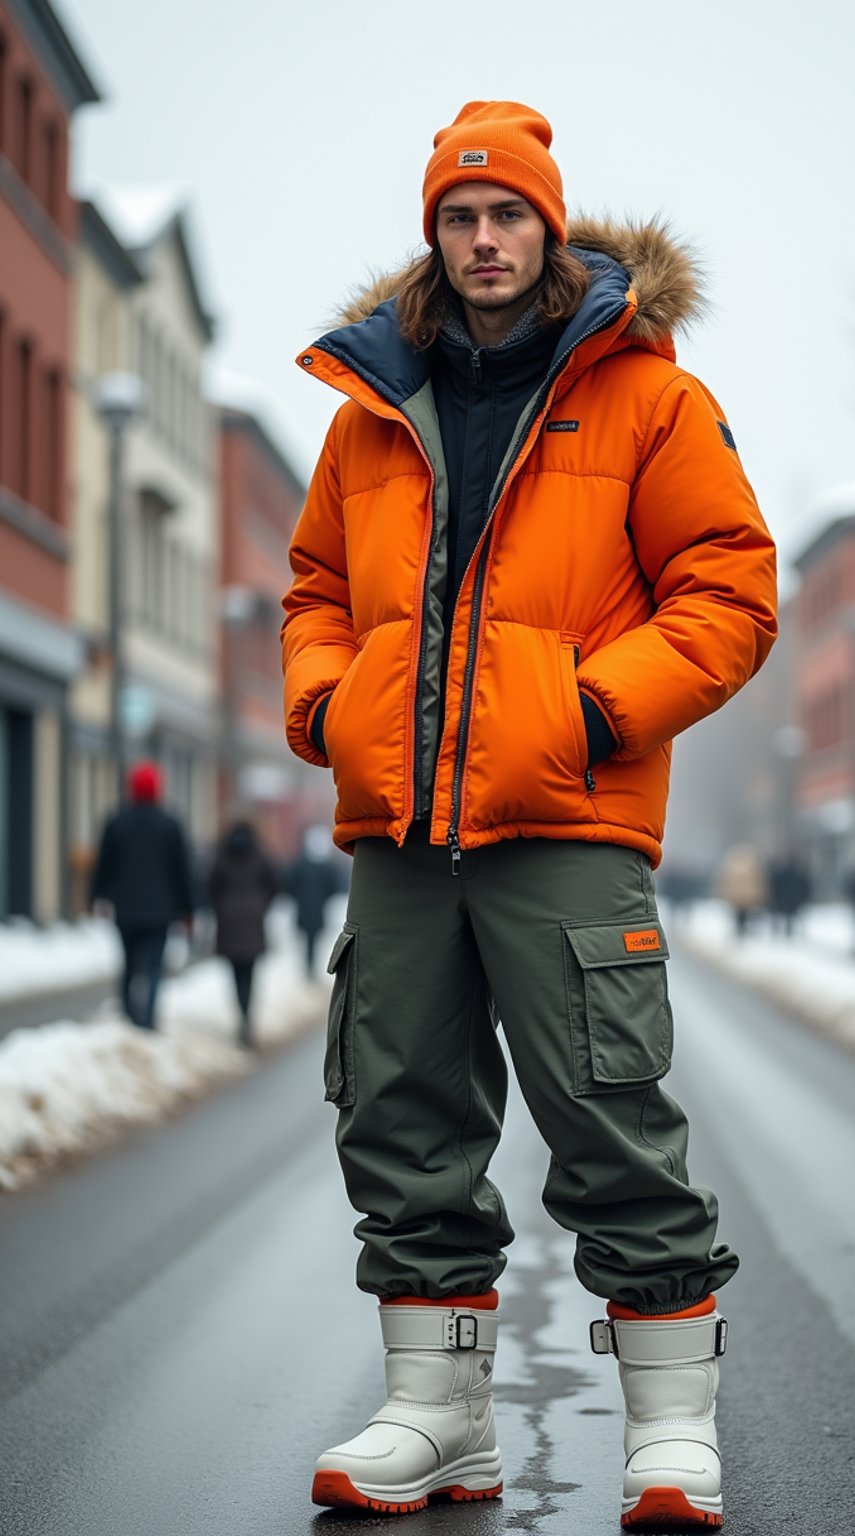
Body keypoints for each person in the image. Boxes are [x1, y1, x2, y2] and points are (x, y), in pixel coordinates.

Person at [282, 100, 777, 1528]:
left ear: (547, 229)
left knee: (611, 1123)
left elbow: (730, 594)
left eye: (507, 215)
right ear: (431, 235)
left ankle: (671, 1430)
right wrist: (329, 709)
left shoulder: (648, 395)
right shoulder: (371, 409)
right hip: (400, 837)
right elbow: (316, 591)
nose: (483, 239)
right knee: (401, 1120)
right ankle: (439, 1421)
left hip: (565, 821)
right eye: (458, 216)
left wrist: (592, 711)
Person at [90, 760, 193, 1030]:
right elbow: (182, 870)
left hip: (125, 908)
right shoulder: (171, 824)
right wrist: (189, 909)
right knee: (154, 966)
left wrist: (97, 897)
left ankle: (127, 1013)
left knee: (129, 962)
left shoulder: (116, 822)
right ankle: (147, 1017)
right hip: (161, 910)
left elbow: (104, 865)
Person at [207, 820, 277, 1047]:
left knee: (236, 974)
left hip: (229, 922)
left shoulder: (222, 857)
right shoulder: (259, 856)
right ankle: (247, 1018)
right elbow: (274, 884)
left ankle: (241, 1016)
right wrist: (261, 905)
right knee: (250, 973)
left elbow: (211, 888)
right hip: (253, 921)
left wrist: (223, 907)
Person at [288, 824, 344, 976]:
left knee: (310, 940)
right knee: (312, 940)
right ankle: (310, 966)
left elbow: (290, 885)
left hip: (306, 909)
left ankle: (309, 966)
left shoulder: (300, 864)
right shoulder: (325, 867)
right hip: (316, 910)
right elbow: (334, 887)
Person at [716, 843, 769, 938]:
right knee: (746, 914)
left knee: (738, 914)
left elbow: (724, 880)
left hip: (736, 895)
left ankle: (740, 930)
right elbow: (759, 880)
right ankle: (743, 930)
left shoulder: (731, 864)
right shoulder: (752, 864)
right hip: (748, 895)